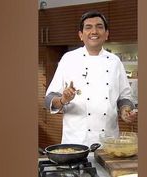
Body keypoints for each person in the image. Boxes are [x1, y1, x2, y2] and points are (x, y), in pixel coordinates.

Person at [45, 10, 137, 146]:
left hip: (108, 142)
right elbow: (48, 100)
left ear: (106, 34)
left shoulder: (115, 61)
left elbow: (125, 98)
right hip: (75, 143)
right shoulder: (68, 59)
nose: (94, 31)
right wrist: (63, 99)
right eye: (88, 27)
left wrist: (125, 111)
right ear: (81, 35)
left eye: (99, 27)